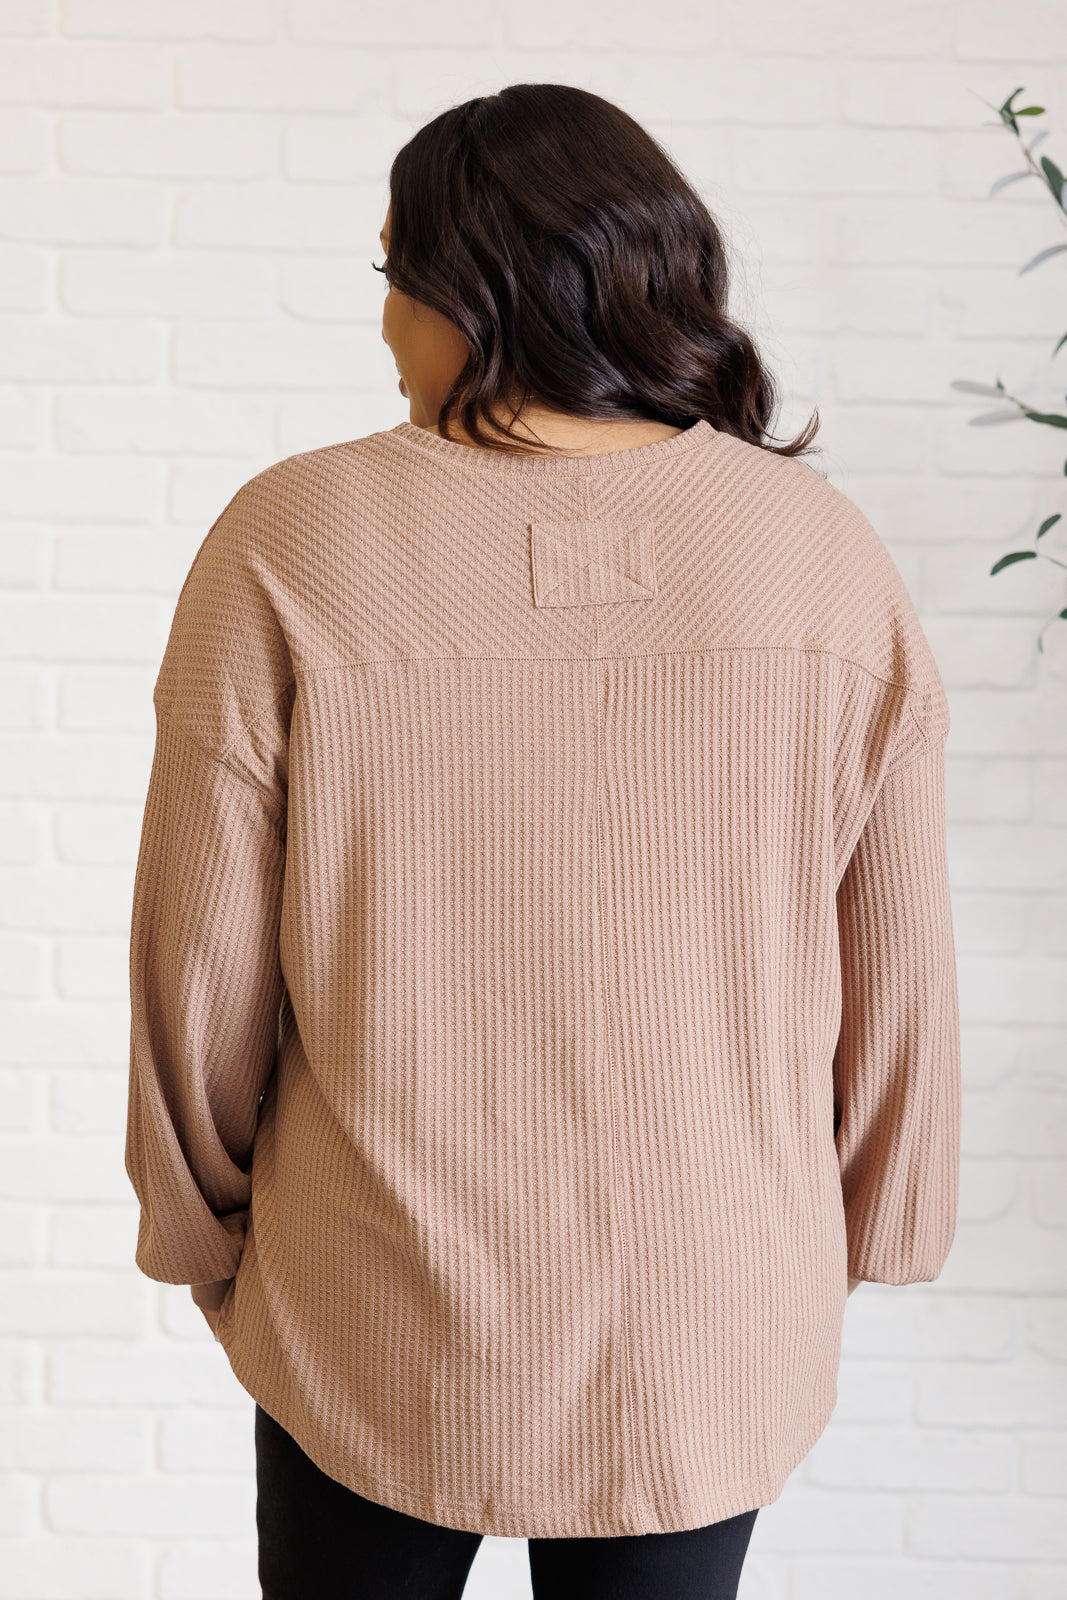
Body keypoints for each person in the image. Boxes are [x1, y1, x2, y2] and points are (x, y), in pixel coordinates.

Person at [124, 83, 960, 1599]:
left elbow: (201, 964)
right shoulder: (820, 554)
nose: (385, 323)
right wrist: (867, 1213)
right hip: (708, 1301)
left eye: (395, 273)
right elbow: (892, 950)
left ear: (477, 288)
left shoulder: (292, 540)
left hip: (369, 1285)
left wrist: (203, 1227)